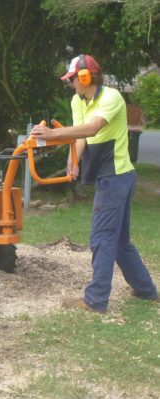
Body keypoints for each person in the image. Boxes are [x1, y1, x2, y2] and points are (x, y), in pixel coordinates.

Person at [30, 54, 158, 313]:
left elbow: (92, 129)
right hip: (108, 176)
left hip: (117, 176)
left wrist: (52, 134)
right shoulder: (78, 101)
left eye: (73, 79)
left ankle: (96, 300)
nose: (71, 84)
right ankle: (147, 291)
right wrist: (73, 161)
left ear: (86, 77)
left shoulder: (111, 98)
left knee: (101, 237)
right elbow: (80, 137)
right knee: (120, 241)